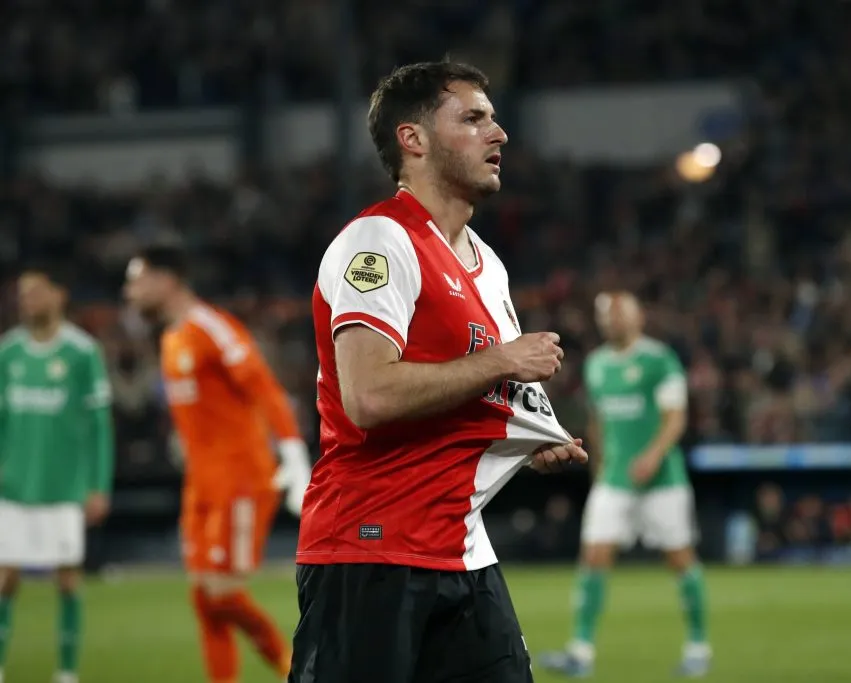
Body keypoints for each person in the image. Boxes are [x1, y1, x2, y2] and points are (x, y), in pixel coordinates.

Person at [290, 60, 588, 683]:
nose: (499, 133)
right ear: (414, 139)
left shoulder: (489, 265)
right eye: (474, 118)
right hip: (370, 547)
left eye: (494, 117)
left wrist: (526, 440)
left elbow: (477, 390)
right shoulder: (378, 242)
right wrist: (503, 359)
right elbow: (368, 394)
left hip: (462, 548)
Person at [123, 245, 311, 683]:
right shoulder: (171, 338)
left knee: (221, 596)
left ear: (167, 280)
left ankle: (295, 668)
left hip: (240, 480)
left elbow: (264, 389)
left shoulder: (212, 327)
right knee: (205, 603)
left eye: (137, 280)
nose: (128, 291)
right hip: (201, 485)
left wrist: (294, 455)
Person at [540, 291, 711, 678]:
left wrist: (652, 456)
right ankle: (580, 652)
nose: (612, 320)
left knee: (680, 558)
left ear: (638, 317)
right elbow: (597, 421)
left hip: (663, 479)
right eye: (606, 315)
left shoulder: (659, 360)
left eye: (619, 313)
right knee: (593, 557)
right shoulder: (597, 365)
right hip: (615, 479)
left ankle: (699, 646)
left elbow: (675, 418)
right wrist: (599, 466)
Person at [0, 266, 114, 683]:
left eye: (36, 292)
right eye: (22, 294)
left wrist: (98, 484)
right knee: (4, 580)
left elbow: (100, 425)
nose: (27, 300)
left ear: (59, 295)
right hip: (13, 486)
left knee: (67, 580)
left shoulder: (83, 353)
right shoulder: (7, 352)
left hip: (64, 487)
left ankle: (66, 673)